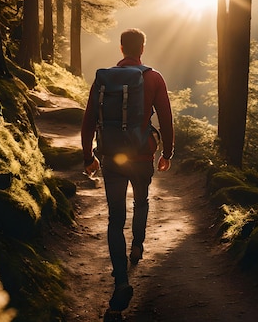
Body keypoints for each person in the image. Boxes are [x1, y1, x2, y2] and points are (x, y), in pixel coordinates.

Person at [81, 28, 175, 318]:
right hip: (142, 155)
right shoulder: (154, 77)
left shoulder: (103, 79)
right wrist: (167, 153)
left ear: (121, 48)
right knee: (142, 201)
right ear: (142, 49)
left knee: (115, 218)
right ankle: (137, 245)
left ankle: (120, 281)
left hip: (111, 157)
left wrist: (88, 157)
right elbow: (167, 118)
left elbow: (88, 121)